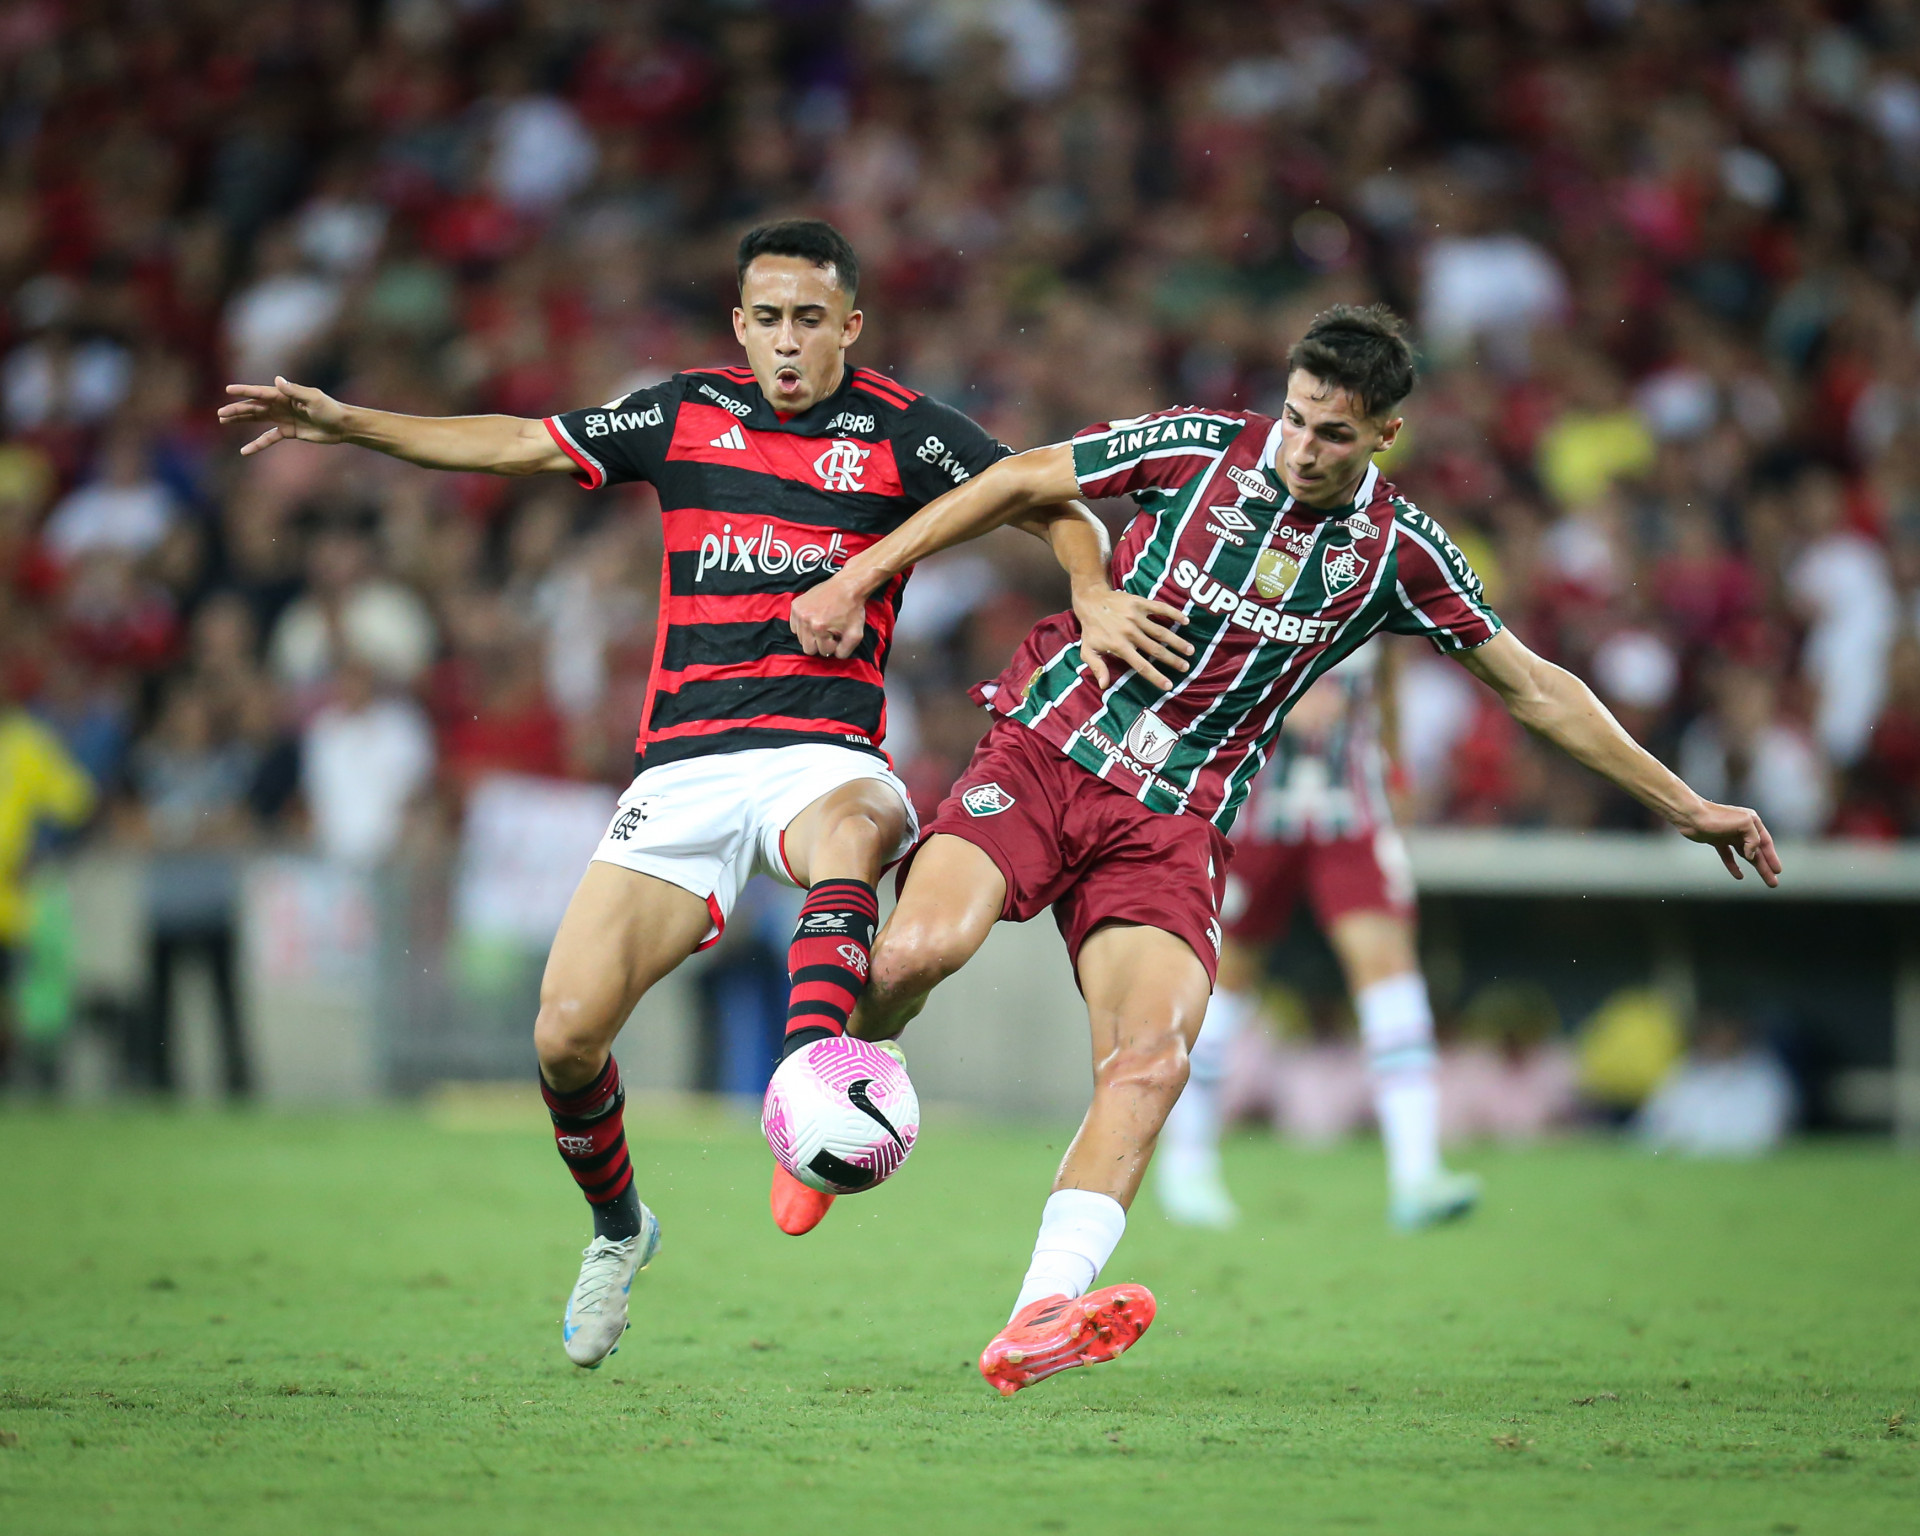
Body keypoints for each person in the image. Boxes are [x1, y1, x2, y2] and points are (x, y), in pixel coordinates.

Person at [218, 219, 1173, 1369]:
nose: (786, 340)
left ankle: (811, 1088)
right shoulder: (683, 413)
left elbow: (1054, 501)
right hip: (682, 770)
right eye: (766, 318)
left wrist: (1093, 589)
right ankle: (620, 1230)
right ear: (739, 325)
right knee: (566, 1036)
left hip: (824, 753)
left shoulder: (905, 432)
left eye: (809, 319)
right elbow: (523, 442)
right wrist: (345, 421)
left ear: (849, 326)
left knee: (864, 829)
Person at [788, 304, 1782, 1395]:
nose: (1304, 449)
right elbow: (1021, 479)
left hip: (1173, 821)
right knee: (915, 954)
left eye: (1335, 435)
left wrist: (1686, 803)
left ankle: (1037, 1314)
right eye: (1298, 420)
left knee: (1153, 1061)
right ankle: (831, 1120)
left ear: (1385, 436)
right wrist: (872, 574)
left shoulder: (1398, 552)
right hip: (1049, 748)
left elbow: (1534, 686)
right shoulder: (1199, 446)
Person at [1154, 640, 1483, 1233]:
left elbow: (1383, 681)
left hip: (1350, 807)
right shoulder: (1250, 564)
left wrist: (1395, 763)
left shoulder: (1378, 563)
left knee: (1387, 965)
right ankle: (1187, 1164)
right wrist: (1275, 701)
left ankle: (1418, 1174)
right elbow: (1200, 671)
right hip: (1256, 803)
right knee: (1223, 976)